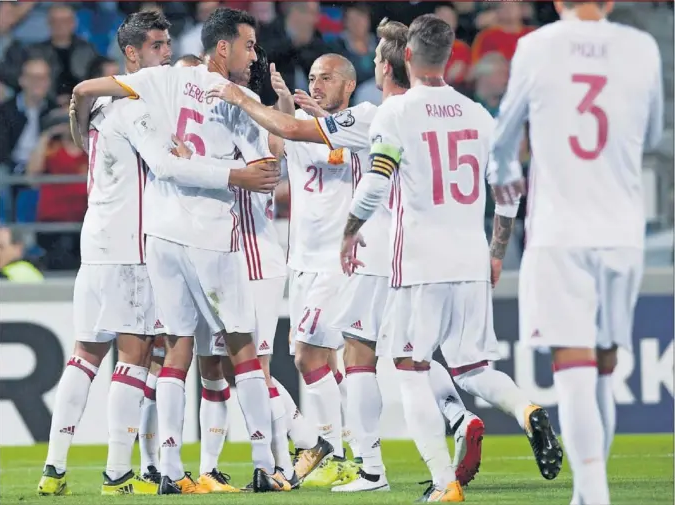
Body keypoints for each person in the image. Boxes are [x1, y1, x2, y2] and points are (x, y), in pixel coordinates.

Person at [207, 18, 488, 492]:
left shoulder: (368, 117)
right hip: (309, 261)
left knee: (324, 355)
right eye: (313, 76)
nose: (317, 82)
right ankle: (450, 417)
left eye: (329, 76)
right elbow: (283, 139)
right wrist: (278, 105)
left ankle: (344, 452)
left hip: (346, 259)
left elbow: (296, 132)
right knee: (365, 354)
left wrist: (244, 98)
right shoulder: (322, 124)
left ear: (353, 82)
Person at [339, 14, 563, 502]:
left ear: (410, 57)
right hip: (471, 259)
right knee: (472, 368)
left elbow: (376, 182)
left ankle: (444, 484)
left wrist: (349, 231)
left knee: (409, 365)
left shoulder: (395, 113)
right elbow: (508, 193)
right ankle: (528, 411)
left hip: (419, 262)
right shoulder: (480, 115)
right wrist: (497, 253)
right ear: (451, 57)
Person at [70, 7, 287, 494]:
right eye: (249, 46)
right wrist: (236, 169)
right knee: (242, 346)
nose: (254, 56)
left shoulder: (161, 78)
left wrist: (77, 112)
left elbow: (90, 90)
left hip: (161, 237)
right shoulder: (241, 98)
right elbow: (266, 172)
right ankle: (261, 462)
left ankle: (169, 469)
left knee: (176, 349)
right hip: (211, 234)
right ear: (223, 48)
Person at [489, 2, 663, 503]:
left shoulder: (537, 47)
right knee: (603, 366)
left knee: (575, 367)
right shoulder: (643, 47)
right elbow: (651, 135)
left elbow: (503, 136)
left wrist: (505, 178)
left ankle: (594, 494)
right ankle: (587, 494)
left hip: (561, 229)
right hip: (623, 229)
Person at [37, 11, 173, 496]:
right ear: (132, 54)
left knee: (84, 355)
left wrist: (81, 95)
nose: (167, 52)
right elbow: (168, 165)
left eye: (167, 42)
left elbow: (79, 119)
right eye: (157, 45)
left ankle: (53, 468)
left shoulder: (99, 107)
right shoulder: (136, 105)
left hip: (93, 243)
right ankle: (119, 472)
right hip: (129, 247)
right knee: (135, 356)